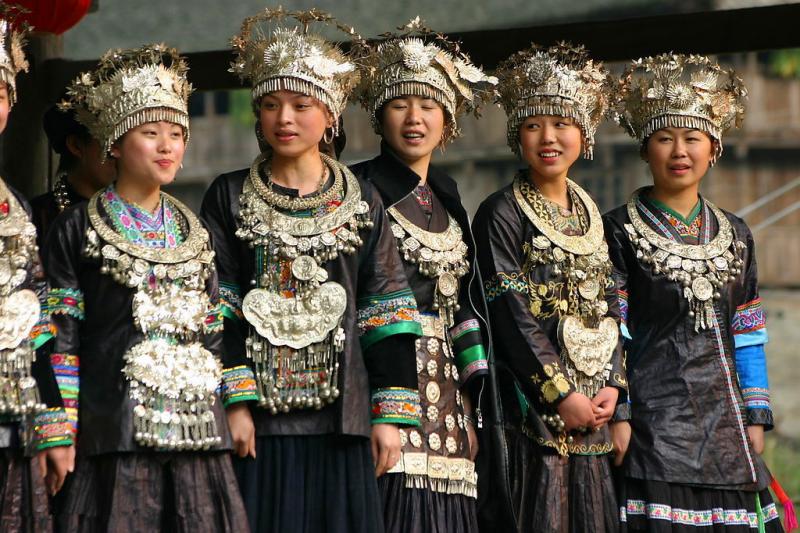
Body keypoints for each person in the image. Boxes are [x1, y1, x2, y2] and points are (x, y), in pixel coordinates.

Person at [200, 8, 422, 532]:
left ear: (330, 115)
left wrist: (389, 417)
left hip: (342, 414)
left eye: (301, 105)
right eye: (272, 105)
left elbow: (386, 307)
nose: (285, 119)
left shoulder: (363, 199)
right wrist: (234, 405)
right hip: (260, 419)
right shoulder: (228, 196)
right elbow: (218, 303)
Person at [43, 44, 248, 532]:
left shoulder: (192, 230)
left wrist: (235, 406)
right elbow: (62, 335)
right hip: (115, 430)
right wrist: (59, 429)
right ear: (114, 142)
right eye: (150, 133)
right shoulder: (76, 227)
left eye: (177, 134)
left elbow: (215, 329)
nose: (167, 146)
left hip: (198, 430)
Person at [605, 53, 783, 532]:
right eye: (665, 138)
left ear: (714, 148)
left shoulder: (737, 234)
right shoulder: (617, 230)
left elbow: (747, 328)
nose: (679, 151)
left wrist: (756, 414)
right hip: (653, 423)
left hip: (727, 424)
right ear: (646, 150)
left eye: (692, 138)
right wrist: (619, 413)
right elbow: (610, 331)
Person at [472, 42, 627, 533]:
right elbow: (510, 313)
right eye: (534, 125)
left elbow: (610, 306)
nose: (549, 137)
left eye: (562, 124)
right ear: (518, 136)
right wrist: (561, 394)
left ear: (584, 133)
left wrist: (612, 387)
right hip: (529, 409)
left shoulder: (593, 216)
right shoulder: (501, 213)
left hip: (593, 408)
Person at [350, 18, 496, 533]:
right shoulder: (359, 189)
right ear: (378, 116)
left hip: (448, 398)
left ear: (447, 118)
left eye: (428, 106)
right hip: (384, 382)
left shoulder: (450, 197)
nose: (415, 119)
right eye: (399, 105)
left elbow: (467, 310)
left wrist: (472, 406)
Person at [0, 10, 73, 531]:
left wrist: (53, 426)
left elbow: (37, 323)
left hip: (12, 423)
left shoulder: (15, 209)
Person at [30, 103, 115, 248]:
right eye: (112, 143)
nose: (123, 153)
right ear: (76, 145)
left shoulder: (143, 211)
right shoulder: (35, 218)